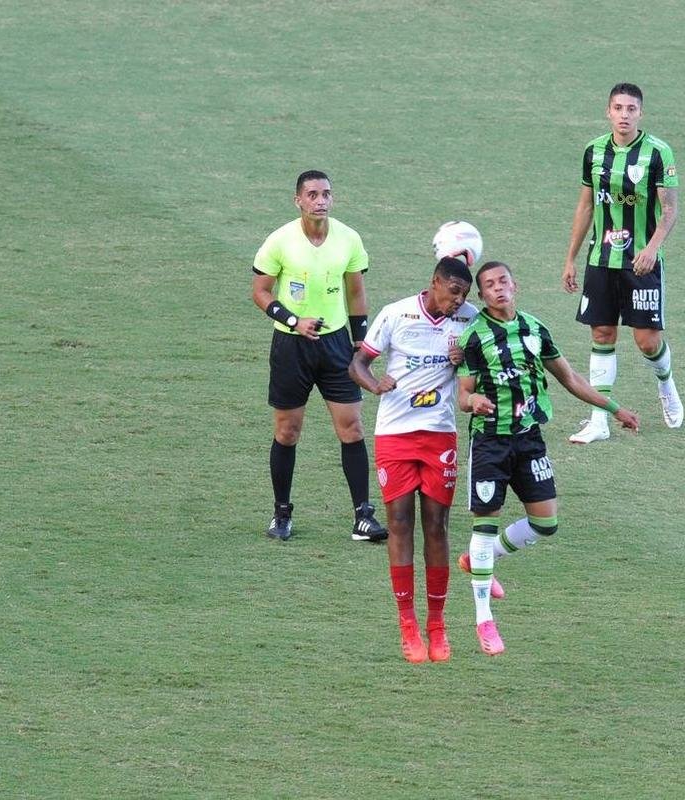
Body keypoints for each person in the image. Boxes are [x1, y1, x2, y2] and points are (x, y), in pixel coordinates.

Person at [457, 261, 640, 655]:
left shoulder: (535, 330)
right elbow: (461, 396)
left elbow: (570, 379)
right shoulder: (473, 337)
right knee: (485, 525)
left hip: (529, 440)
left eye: (503, 280)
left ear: (515, 284)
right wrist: (475, 400)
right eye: (489, 285)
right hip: (490, 443)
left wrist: (614, 408)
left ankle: (480, 560)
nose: (498, 288)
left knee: (545, 523)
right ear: (481, 296)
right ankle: (484, 619)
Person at [348, 257, 477, 663]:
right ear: (435, 282)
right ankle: (408, 625)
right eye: (453, 292)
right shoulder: (396, 314)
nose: (458, 302)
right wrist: (374, 384)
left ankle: (437, 625)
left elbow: (485, 368)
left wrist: (466, 363)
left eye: (464, 295)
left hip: (440, 434)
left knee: (436, 526)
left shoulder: (471, 319)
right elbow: (358, 363)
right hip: (395, 434)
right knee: (400, 523)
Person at [251, 170, 387, 543]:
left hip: (336, 345)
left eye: (326, 193)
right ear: (298, 200)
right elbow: (261, 291)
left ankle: (363, 515)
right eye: (312, 194)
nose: (320, 200)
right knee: (287, 431)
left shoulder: (349, 239)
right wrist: (294, 321)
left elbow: (356, 294)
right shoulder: (280, 241)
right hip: (291, 347)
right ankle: (281, 513)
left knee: (352, 427)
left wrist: (360, 344)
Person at [560, 82, 684, 442]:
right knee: (601, 334)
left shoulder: (658, 152)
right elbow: (585, 205)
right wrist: (570, 258)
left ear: (640, 113)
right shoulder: (594, 151)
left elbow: (671, 208)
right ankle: (599, 419)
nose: (624, 115)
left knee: (647, 342)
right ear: (608, 111)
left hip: (641, 263)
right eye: (618, 108)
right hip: (601, 259)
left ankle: (666, 384)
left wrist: (652, 248)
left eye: (631, 109)